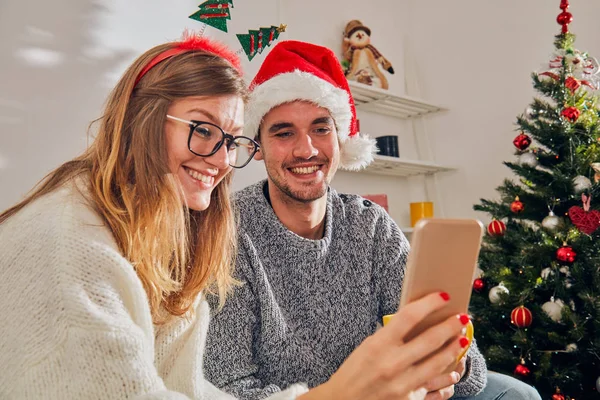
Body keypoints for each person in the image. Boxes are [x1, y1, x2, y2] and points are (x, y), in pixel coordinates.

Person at [0, 32, 472, 400]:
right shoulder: (69, 239)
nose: (222, 160)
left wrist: (448, 364)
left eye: (229, 140)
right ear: (138, 120)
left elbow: (193, 390)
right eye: (203, 129)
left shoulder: (169, 237)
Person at [204, 40, 543, 400]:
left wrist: (451, 366)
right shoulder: (228, 230)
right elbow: (230, 388)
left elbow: (467, 370)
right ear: (256, 145)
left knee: (518, 395)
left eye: (321, 128)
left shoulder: (370, 225)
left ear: (340, 138)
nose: (307, 150)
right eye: (284, 133)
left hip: (396, 392)